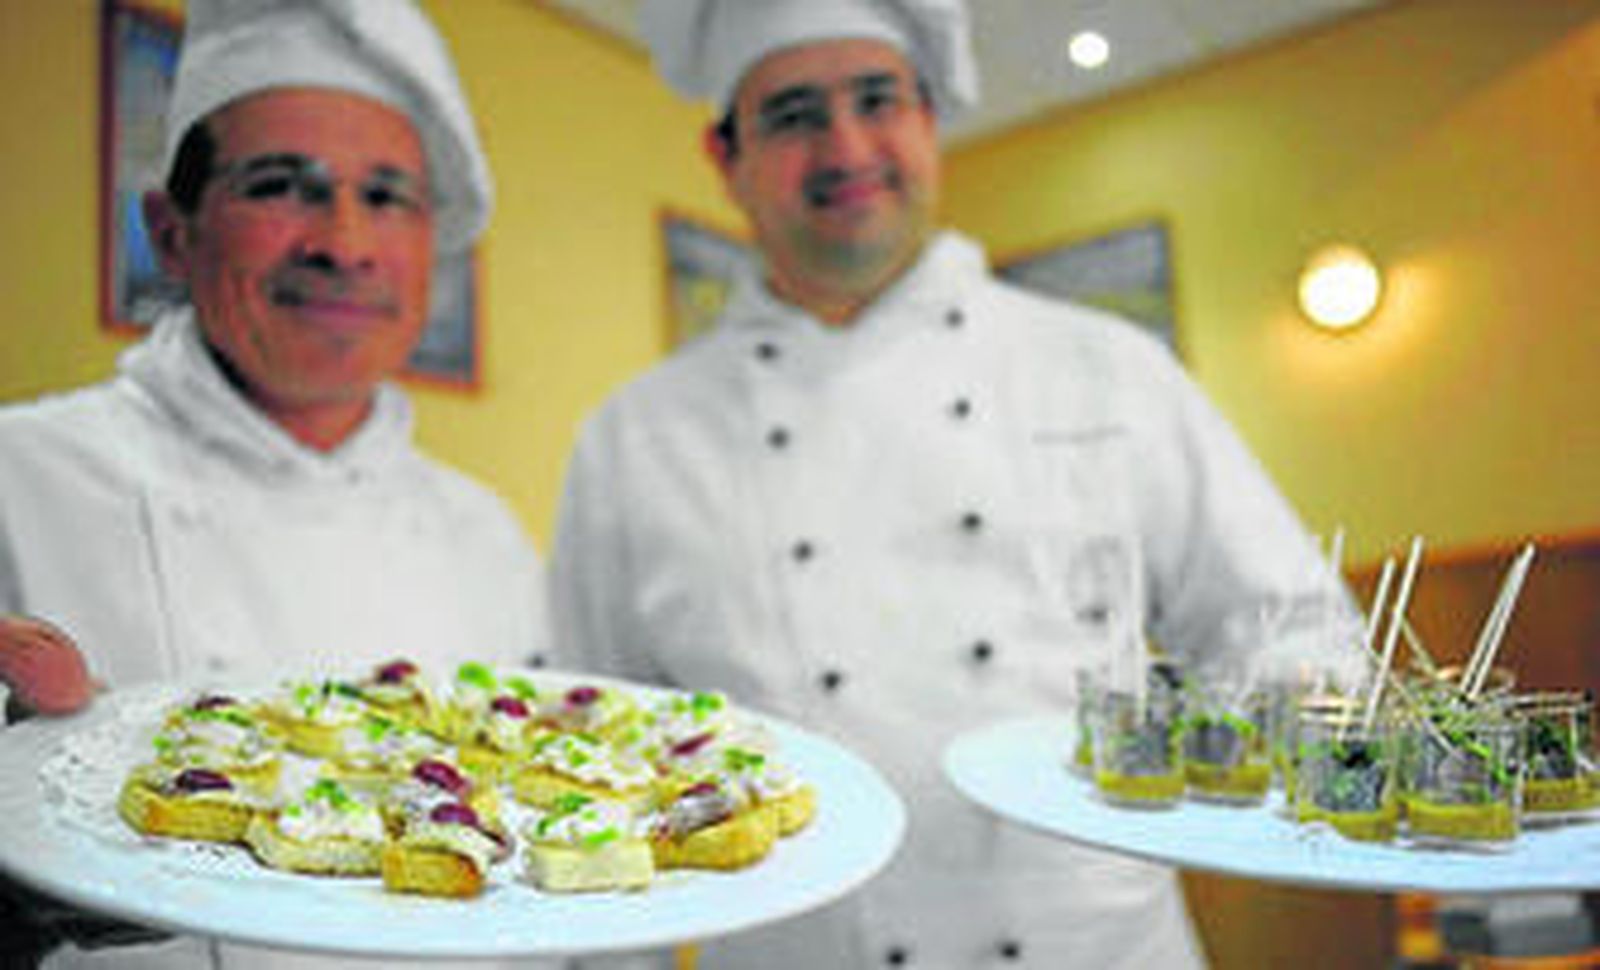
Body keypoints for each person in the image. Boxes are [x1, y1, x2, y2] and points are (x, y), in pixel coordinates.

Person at [550, 1, 1356, 967]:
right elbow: (591, 776)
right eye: (795, 114)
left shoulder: (1104, 366)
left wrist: (1264, 737)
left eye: (878, 100)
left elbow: (1289, 627)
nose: (846, 146)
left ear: (929, 123)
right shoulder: (635, 438)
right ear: (726, 160)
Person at [0, 1, 552, 967]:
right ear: (172, 232)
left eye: (388, 197)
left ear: (430, 252)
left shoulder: (490, 537)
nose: (343, 242)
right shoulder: (18, 477)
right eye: (280, 185)